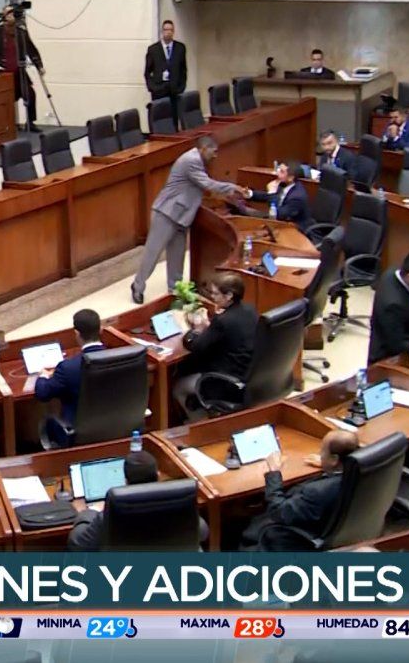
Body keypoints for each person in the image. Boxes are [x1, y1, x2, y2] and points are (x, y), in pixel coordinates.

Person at [131, 136, 243, 303]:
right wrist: (233, 188)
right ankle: (138, 286)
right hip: (167, 213)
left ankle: (175, 290)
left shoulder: (198, 160)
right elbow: (208, 184)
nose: (215, 155)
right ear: (204, 149)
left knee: (177, 256)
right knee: (153, 253)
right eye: (214, 151)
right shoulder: (191, 160)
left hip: (182, 216)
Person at [239, 430, 360, 551]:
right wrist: (327, 464)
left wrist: (273, 472)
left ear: (335, 459)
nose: (320, 454)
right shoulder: (363, 472)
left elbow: (278, 511)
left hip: (293, 538)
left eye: (323, 451)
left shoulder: (317, 491)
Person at [66, 450, 210, 550]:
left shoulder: (114, 512)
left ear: (126, 481)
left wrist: (89, 511)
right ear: (158, 475)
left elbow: (78, 545)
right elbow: (202, 532)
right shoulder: (177, 502)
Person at [172, 273, 258, 419]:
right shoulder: (250, 310)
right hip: (248, 376)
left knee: (179, 387)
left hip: (225, 383)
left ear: (229, 295)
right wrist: (210, 327)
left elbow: (196, 347)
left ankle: (201, 428)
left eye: (216, 293)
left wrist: (195, 331)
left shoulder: (223, 321)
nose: (212, 297)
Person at [36, 309, 106, 448]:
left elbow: (43, 393)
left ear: (76, 334)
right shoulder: (119, 358)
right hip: (117, 429)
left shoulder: (68, 368)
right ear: (101, 330)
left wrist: (43, 375)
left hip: (78, 436)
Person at [0, 7, 45, 132]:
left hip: (18, 73)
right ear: (3, 16)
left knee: (30, 93)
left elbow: (31, 50)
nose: (11, 15)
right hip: (0, 74)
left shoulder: (21, 33)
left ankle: (30, 122)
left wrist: (39, 65)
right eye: (8, 12)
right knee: (3, 100)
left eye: (13, 12)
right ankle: (2, 125)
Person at [368, 251, 409, 364]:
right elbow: (395, 346)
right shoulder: (393, 305)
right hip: (387, 359)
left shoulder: (393, 273)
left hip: (407, 334)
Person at [246, 160, 311, 231]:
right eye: (278, 169)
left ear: (291, 177)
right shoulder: (284, 184)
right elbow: (266, 196)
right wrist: (249, 193)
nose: (277, 173)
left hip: (295, 231)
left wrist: (271, 192)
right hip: (282, 224)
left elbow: (278, 215)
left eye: (282, 172)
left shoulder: (297, 196)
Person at [144, 20, 187, 107]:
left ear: (173, 32)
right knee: (160, 118)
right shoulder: (153, 49)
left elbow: (183, 69)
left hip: (175, 92)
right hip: (159, 92)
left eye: (170, 30)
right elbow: (147, 72)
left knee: (174, 118)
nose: (168, 32)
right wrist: (152, 88)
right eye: (166, 30)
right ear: (162, 31)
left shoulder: (180, 48)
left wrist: (181, 88)